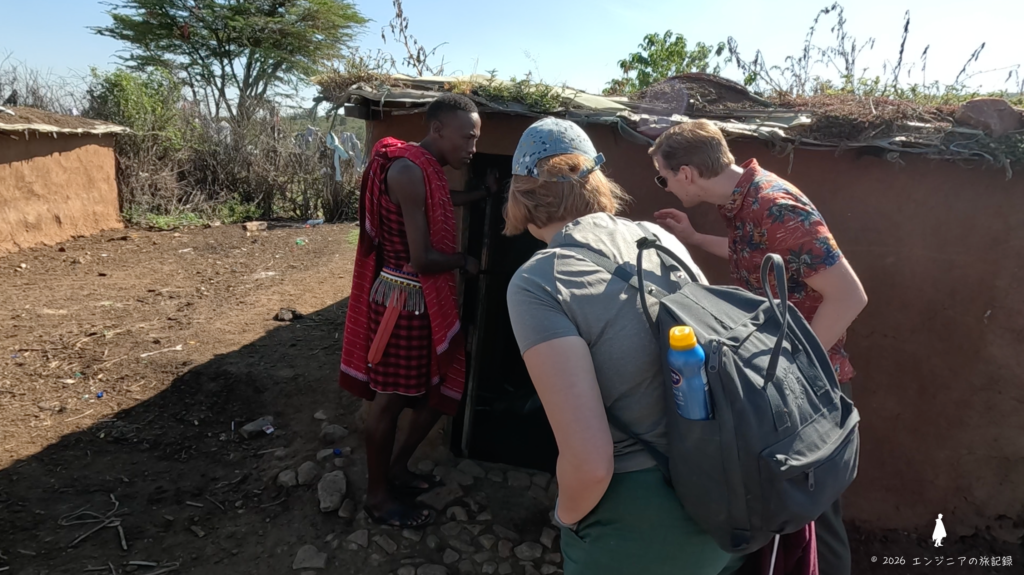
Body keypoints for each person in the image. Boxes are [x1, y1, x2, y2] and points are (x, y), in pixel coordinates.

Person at [504, 117, 745, 575]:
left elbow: (592, 464)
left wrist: (566, 518)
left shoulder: (538, 281)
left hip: (642, 522)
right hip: (724, 497)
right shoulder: (661, 241)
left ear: (522, 195)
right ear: (597, 182)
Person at [649, 119, 868, 575]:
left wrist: (789, 370)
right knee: (781, 522)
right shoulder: (747, 203)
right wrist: (692, 239)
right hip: (783, 386)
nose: (665, 187)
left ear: (687, 172)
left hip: (807, 391)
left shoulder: (774, 205)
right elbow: (757, 248)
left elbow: (849, 295)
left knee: (814, 523)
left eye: (663, 177)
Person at [338, 93, 499, 528]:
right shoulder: (408, 170)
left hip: (422, 301)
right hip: (403, 302)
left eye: (477, 139)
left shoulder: (424, 172)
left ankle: (395, 469)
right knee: (388, 402)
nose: (472, 147)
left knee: (443, 382)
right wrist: (464, 262)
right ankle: (376, 496)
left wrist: (481, 195)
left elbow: (441, 203)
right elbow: (424, 257)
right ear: (438, 130)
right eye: (467, 138)